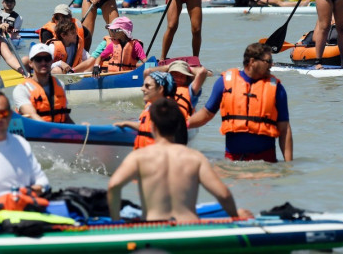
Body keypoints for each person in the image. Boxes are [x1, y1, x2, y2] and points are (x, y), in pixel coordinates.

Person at [108, 98, 250, 222]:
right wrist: (235, 217)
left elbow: (114, 186)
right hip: (188, 227)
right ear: (178, 126)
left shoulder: (139, 157)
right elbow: (223, 194)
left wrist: (116, 221)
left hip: (154, 228)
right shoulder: (195, 158)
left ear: (153, 127)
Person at [188, 43, 293, 163]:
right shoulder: (224, 82)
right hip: (233, 162)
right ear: (252, 62)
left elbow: (284, 130)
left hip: (265, 164)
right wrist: (184, 125)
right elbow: (207, 114)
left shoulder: (277, 88)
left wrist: (288, 166)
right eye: (268, 61)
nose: (271, 64)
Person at [12, 43, 73, 123]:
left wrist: (83, 132)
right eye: (38, 59)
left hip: (58, 131)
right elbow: (33, 116)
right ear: (30, 63)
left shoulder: (60, 84)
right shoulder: (21, 89)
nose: (43, 62)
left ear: (51, 62)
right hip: (34, 133)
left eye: (47, 58)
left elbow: (66, 118)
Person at [114, 71, 176, 149]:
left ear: (160, 89)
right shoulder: (152, 106)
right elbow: (147, 126)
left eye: (147, 86)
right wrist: (126, 123)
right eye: (143, 85)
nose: (142, 89)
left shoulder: (166, 110)